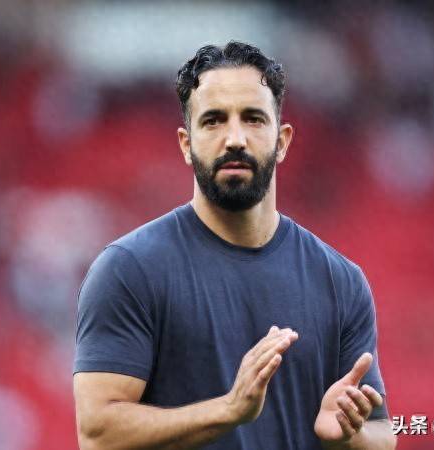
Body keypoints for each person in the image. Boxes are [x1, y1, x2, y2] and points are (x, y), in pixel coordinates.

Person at [73, 41, 396, 450]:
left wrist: (349, 436)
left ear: (282, 140)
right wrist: (228, 410)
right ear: (186, 144)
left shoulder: (340, 281)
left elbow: (383, 435)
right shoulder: (129, 270)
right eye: (213, 121)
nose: (235, 139)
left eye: (253, 119)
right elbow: (97, 435)